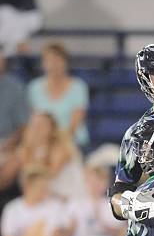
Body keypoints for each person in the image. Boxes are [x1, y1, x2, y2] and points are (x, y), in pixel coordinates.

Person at [27, 42, 89, 147]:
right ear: (43, 63)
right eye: (49, 60)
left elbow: (75, 122)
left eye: (58, 60)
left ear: (65, 62)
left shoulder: (78, 87)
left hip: (73, 143)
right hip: (42, 144)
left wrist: (59, 145)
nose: (54, 64)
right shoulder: (34, 87)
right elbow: (34, 121)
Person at [18, 111, 86, 201]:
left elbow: (52, 173)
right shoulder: (28, 147)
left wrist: (36, 165)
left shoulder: (61, 144)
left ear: (51, 128)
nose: (38, 128)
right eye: (35, 125)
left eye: (42, 125)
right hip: (47, 190)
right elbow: (27, 172)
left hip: (68, 190)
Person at [1, 166, 70, 236]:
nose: (46, 190)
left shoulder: (55, 206)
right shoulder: (12, 209)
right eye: (41, 186)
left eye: (46, 186)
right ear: (27, 186)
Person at [0, 46, 29, 214]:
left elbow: (23, 127)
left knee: (10, 167)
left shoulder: (15, 88)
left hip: (8, 145)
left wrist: (8, 144)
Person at [68, 164, 125, 236]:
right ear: (86, 182)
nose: (95, 185)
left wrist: (102, 224)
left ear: (106, 184)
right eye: (93, 181)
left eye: (100, 182)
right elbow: (68, 233)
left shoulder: (114, 204)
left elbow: (121, 234)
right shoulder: (75, 204)